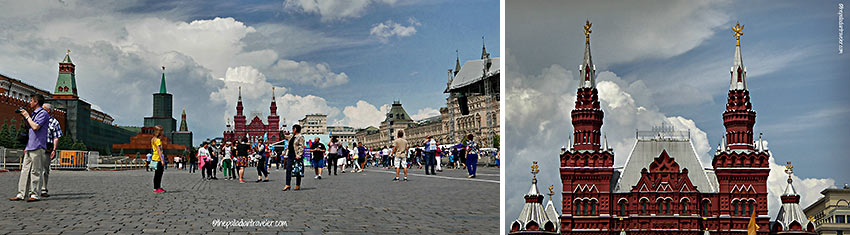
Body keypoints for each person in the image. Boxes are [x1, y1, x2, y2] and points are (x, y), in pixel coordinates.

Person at [9, 95, 50, 202]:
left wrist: (27, 116)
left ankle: (34, 194)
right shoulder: (34, 114)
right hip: (30, 146)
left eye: (31, 101)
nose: (30, 103)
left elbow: (36, 127)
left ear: (36, 102)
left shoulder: (43, 113)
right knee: (24, 171)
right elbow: (30, 129)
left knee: (35, 171)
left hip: (38, 146)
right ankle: (21, 193)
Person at [37, 103, 61, 198]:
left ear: (48, 111)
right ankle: (33, 190)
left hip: (47, 148)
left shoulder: (54, 122)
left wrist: (54, 150)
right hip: (36, 147)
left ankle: (43, 189)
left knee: (44, 170)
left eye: (42, 109)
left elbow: (56, 137)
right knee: (34, 170)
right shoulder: (37, 119)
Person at [283, 124, 305, 191]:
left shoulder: (300, 137)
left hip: (296, 155)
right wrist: (283, 130)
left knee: (297, 170)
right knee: (288, 169)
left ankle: (298, 184)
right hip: (290, 154)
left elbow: (301, 146)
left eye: (293, 129)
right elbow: (284, 136)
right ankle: (287, 184)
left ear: (295, 129)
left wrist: (299, 155)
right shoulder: (291, 136)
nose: (292, 130)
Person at [150, 125, 166, 193]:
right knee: (159, 174)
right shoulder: (158, 140)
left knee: (156, 174)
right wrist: (162, 160)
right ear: (159, 132)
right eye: (161, 131)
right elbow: (159, 151)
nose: (162, 133)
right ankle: (157, 188)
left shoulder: (153, 139)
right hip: (158, 158)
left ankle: (156, 188)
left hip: (154, 157)